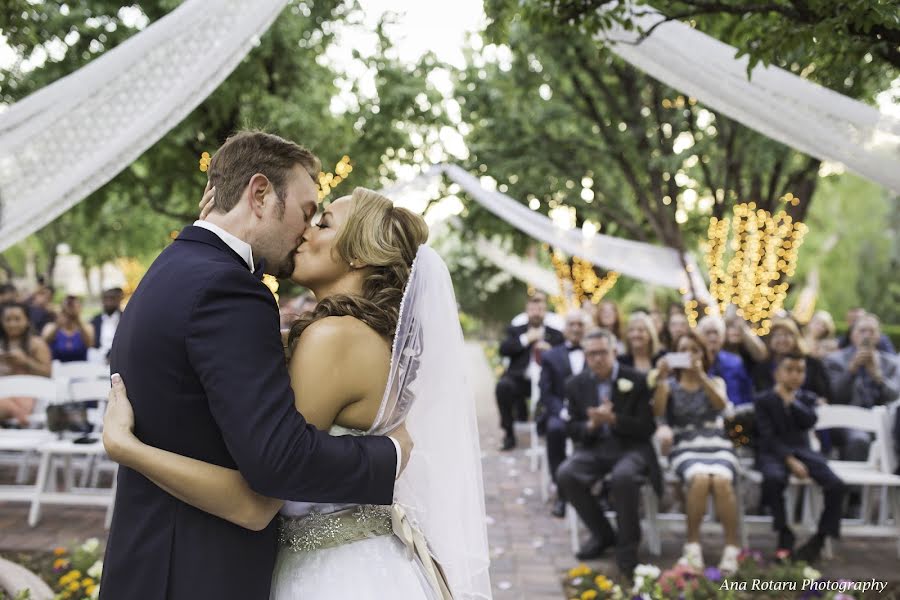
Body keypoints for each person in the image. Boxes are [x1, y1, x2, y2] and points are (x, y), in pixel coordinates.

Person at [104, 181, 491, 599]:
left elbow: (257, 503)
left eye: (323, 223)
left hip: (334, 575)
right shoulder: (366, 336)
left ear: (358, 254)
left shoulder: (332, 340)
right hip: (368, 560)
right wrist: (224, 230)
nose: (305, 231)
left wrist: (128, 448)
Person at [556, 328, 661, 577]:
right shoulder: (575, 384)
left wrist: (614, 419)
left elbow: (647, 428)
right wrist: (591, 425)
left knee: (623, 478)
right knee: (566, 474)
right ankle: (603, 535)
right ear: (585, 356)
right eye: (591, 354)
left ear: (614, 352)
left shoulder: (636, 380)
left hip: (631, 448)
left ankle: (628, 549)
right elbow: (571, 428)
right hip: (594, 448)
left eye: (602, 352)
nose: (598, 359)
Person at [653, 330, 740, 573]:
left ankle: (732, 548)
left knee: (722, 481)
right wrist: (661, 379)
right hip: (685, 444)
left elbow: (722, 406)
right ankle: (692, 546)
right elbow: (658, 413)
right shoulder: (669, 385)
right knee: (699, 479)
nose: (689, 355)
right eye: (683, 350)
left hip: (717, 443)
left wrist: (700, 375)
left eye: (695, 350)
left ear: (704, 354)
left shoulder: (715, 381)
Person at [755, 354, 845, 562]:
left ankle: (820, 538)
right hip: (774, 453)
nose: (795, 375)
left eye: (800, 371)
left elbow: (809, 421)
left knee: (836, 485)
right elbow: (766, 436)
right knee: (773, 479)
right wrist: (789, 460)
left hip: (804, 451)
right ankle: (784, 532)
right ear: (777, 373)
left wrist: (792, 403)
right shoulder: (763, 399)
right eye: (790, 370)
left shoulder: (807, 398)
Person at [824, 313, 900, 461]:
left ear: (879, 336)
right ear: (852, 335)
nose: (867, 335)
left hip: (884, 422)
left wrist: (878, 377)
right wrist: (851, 370)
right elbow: (834, 396)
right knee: (859, 440)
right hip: (847, 422)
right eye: (862, 330)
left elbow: (895, 396)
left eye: (872, 331)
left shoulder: (890, 363)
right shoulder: (835, 360)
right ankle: (854, 484)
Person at [496, 293, 564, 450]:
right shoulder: (516, 331)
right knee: (503, 387)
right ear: (527, 310)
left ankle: (547, 432)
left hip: (546, 382)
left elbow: (563, 355)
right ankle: (509, 434)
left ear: (545, 311)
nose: (536, 312)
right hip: (520, 380)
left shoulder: (555, 334)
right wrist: (526, 338)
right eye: (533, 309)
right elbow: (503, 349)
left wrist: (550, 350)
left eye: (540, 309)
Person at [537, 309, 588, 518]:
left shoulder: (596, 352)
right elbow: (546, 392)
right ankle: (562, 491)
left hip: (587, 412)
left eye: (580, 325)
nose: (576, 329)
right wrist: (562, 411)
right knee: (555, 429)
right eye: (571, 324)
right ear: (565, 329)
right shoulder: (551, 356)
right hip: (561, 412)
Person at [750, 318, 832, 403]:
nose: (782, 339)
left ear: (796, 338)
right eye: (777, 335)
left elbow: (825, 395)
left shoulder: (813, 364)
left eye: (786, 335)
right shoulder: (762, 368)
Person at [0, 302, 52, 425]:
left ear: (27, 320)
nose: (12, 324)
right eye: (8, 319)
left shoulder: (37, 343)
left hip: (27, 395)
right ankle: (18, 414)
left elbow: (47, 373)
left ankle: (18, 414)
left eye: (17, 319)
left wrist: (25, 361)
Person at [697, 315, 754, 406]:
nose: (712, 338)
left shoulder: (735, 362)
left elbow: (747, 393)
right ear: (699, 337)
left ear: (723, 336)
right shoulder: (696, 364)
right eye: (708, 333)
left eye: (716, 333)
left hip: (738, 414)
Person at [42, 295, 94, 362]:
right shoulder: (50, 326)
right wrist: (57, 325)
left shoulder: (87, 327)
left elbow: (89, 344)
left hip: (80, 367)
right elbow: (44, 344)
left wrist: (77, 320)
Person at [90, 287, 124, 361]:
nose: (108, 302)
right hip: (98, 356)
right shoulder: (95, 320)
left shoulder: (125, 318)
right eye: (105, 298)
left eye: (112, 298)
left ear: (118, 300)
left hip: (119, 356)